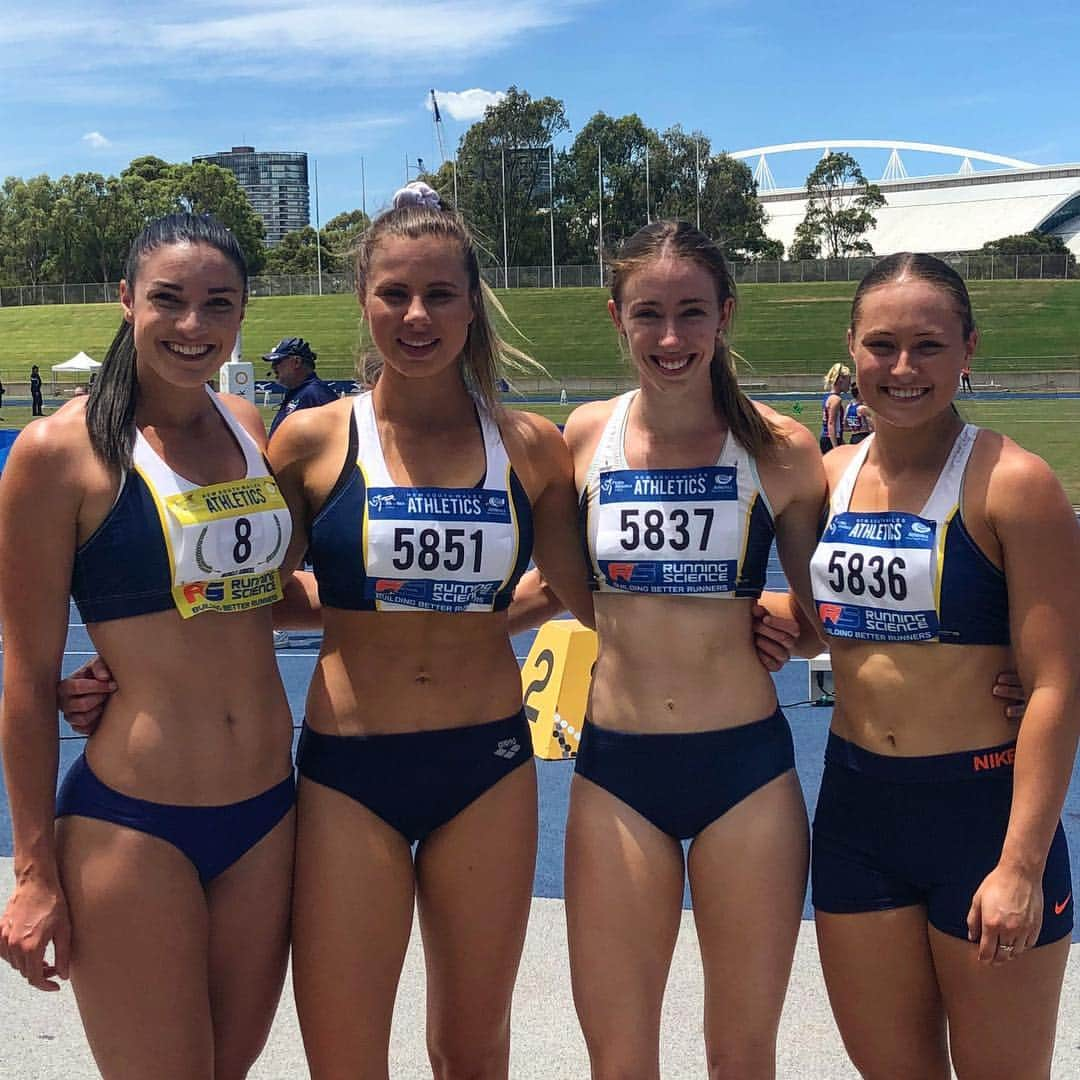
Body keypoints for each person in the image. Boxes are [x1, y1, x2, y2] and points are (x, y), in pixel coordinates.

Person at [269, 182, 594, 1077]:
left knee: (471, 1045)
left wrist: (740, 632)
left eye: (440, 294)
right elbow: (248, 593)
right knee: (344, 1050)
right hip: (348, 769)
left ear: (472, 303)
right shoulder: (309, 441)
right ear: (363, 300)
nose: (417, 315)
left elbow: (574, 588)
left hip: (484, 767)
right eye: (394, 294)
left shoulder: (529, 445)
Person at [512, 219, 827, 1077]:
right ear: (616, 316)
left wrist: (787, 622)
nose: (671, 337)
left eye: (692, 312)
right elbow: (560, 589)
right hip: (618, 769)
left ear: (725, 314)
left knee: (741, 1054)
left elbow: (830, 614)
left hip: (748, 775)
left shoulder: (782, 451)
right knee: (618, 1057)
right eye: (648, 313)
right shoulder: (582, 438)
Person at [0, 214, 298, 1079]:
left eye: (219, 304)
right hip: (134, 826)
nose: (193, 326)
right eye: (168, 300)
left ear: (243, 314)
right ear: (126, 299)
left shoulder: (247, 428)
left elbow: (257, 599)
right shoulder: (60, 455)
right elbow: (24, 676)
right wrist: (32, 870)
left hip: (266, 819)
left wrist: (463, 609)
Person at [809, 253, 1079, 1078]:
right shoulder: (824, 481)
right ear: (851, 349)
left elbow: (1057, 685)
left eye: (927, 346)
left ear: (969, 350)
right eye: (881, 345)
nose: (902, 368)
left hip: (982, 816)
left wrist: (1020, 866)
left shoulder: (1014, 485)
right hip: (857, 813)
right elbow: (816, 611)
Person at [264, 336, 338, 437]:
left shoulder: (316, 393)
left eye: (278, 362)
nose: (273, 367)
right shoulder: (298, 391)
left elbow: (340, 431)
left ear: (296, 362)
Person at [819, 362, 850, 453]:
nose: (849, 384)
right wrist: (836, 448)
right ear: (841, 380)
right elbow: (831, 424)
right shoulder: (836, 399)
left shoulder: (828, 397)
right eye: (848, 381)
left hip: (829, 438)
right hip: (830, 440)